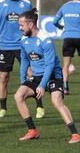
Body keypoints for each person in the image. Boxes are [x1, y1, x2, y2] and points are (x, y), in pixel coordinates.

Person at [14, 8, 80, 144]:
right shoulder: (24, 40)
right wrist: (23, 82)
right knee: (18, 96)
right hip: (36, 76)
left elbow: (50, 65)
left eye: (21, 25)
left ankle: (75, 134)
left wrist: (42, 85)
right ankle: (32, 131)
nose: (20, 28)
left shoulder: (45, 39)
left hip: (53, 76)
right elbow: (24, 61)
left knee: (56, 101)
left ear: (31, 24)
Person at [0, 0, 44, 118]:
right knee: (3, 77)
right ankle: (3, 108)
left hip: (24, 45)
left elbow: (32, 25)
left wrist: (35, 40)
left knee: (32, 74)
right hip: (5, 46)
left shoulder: (26, 3)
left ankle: (39, 107)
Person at [52, 0, 80, 95]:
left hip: (67, 38)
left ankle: (65, 87)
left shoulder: (64, 6)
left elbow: (54, 21)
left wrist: (59, 26)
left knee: (66, 65)